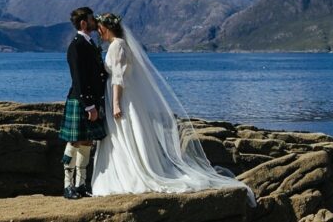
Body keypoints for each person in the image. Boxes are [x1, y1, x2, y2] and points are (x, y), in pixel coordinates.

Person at [88, 12, 256, 207]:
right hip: (126, 98)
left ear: (106, 27)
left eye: (99, 27)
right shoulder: (122, 45)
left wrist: (116, 103)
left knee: (123, 134)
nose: (98, 31)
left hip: (122, 99)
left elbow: (118, 78)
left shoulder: (116, 46)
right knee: (129, 135)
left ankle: (130, 174)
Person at [57, 6, 110, 199]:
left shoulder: (88, 43)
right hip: (80, 101)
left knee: (87, 142)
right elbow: (78, 78)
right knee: (75, 141)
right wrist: (88, 105)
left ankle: (81, 184)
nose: (95, 22)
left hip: (91, 100)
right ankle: (67, 185)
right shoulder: (76, 45)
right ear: (83, 23)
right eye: (91, 19)